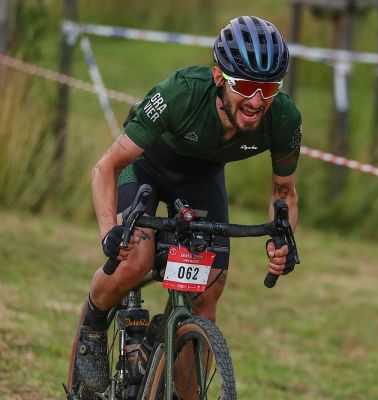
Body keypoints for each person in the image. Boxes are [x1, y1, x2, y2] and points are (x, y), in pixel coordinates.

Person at [71, 15, 301, 395]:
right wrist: (109, 233)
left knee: (207, 295)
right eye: (245, 86)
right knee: (137, 259)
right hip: (143, 166)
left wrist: (283, 240)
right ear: (218, 78)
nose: (257, 100)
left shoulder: (283, 118)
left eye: (269, 87)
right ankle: (93, 325)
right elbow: (107, 167)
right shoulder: (180, 93)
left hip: (200, 178)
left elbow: (284, 194)